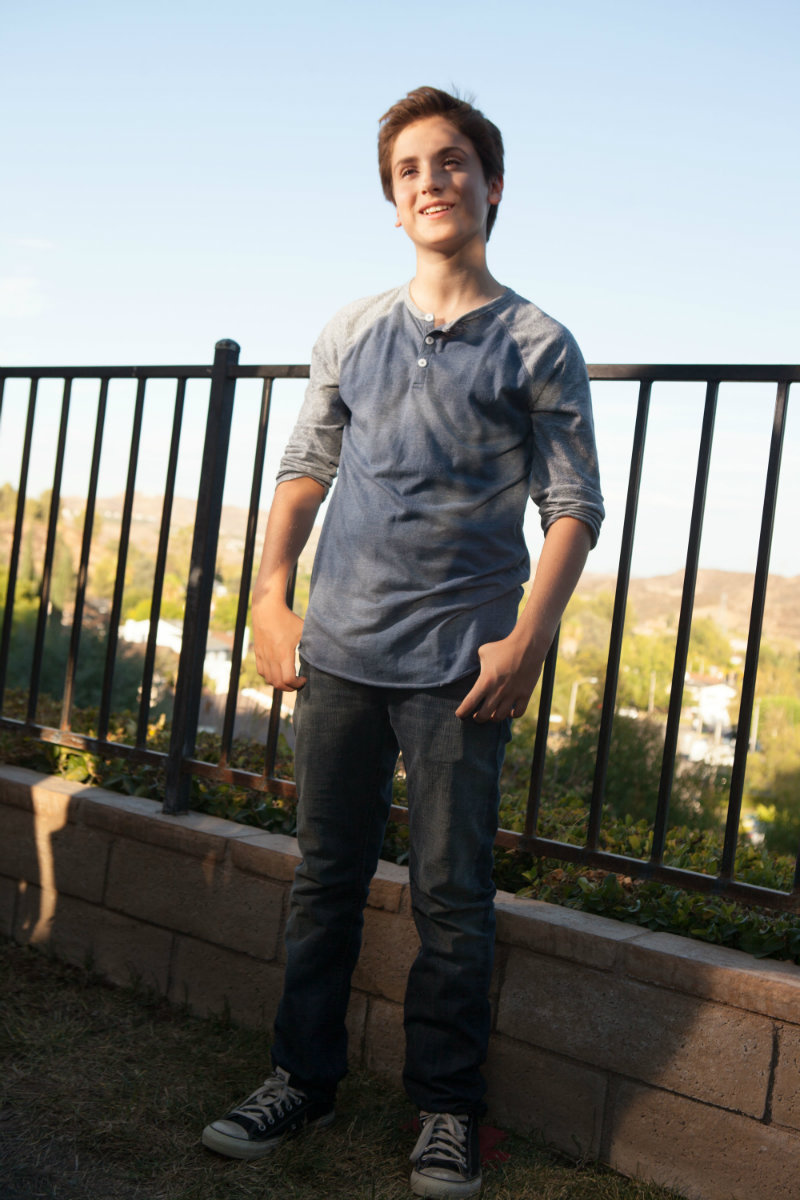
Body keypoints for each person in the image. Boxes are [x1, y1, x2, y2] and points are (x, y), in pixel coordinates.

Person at [202, 85, 604, 1199]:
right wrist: (270, 598)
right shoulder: (351, 330)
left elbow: (572, 505)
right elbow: (304, 471)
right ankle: (300, 1078)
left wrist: (526, 641)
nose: (432, 181)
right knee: (324, 880)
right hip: (338, 654)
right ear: (393, 202)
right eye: (410, 170)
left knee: (452, 898)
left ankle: (446, 1111)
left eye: (452, 161)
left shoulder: (538, 343)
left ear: (492, 185)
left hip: (460, 670)